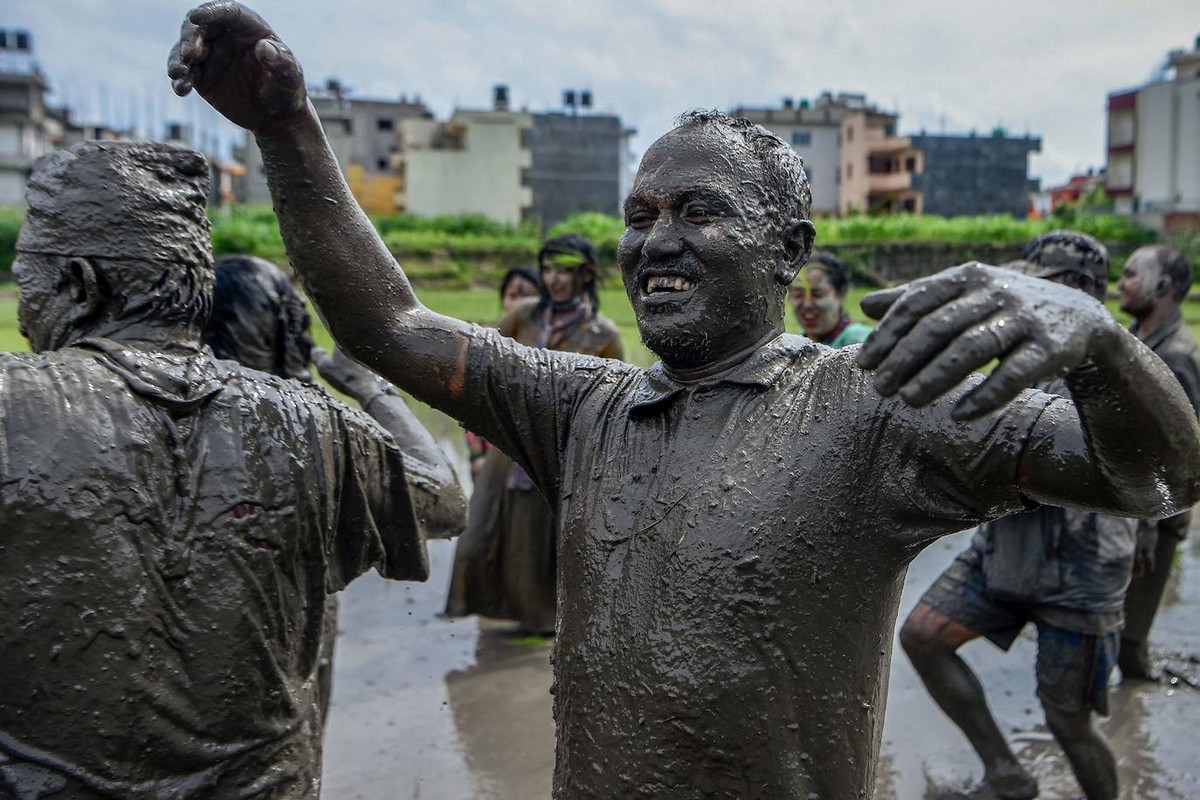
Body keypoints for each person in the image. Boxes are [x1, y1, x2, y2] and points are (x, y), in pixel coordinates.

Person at [170, 10, 1200, 795]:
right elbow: (390, 324)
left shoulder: (872, 405)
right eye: (639, 213)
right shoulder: (584, 406)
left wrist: (1100, 345)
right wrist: (288, 128)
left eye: (699, 211)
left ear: (790, 252)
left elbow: (1155, 474)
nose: (655, 241)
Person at [0, 141, 440, 798]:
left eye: (24, 275)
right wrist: (371, 390)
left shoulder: (12, 402)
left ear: (80, 285)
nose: (21, 300)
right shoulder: (315, 421)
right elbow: (442, 491)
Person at [899, 231, 1139, 800]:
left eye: (1039, 285)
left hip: (1081, 570)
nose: (1022, 297)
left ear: (1079, 292)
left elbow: (1136, 474)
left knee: (1069, 720)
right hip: (1006, 551)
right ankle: (1006, 773)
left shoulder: (1112, 371)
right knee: (924, 636)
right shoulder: (1016, 352)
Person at [202, 253, 466, 723]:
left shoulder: (121, 418)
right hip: (274, 739)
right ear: (290, 337)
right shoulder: (314, 433)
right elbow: (446, 500)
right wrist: (371, 390)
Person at [447, 237, 623, 634]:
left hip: (557, 454)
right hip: (507, 451)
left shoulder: (603, 334)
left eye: (563, 270)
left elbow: (614, 407)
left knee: (537, 548)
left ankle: (544, 627)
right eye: (548, 269)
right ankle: (496, 612)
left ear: (586, 274)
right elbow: (482, 361)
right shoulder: (523, 317)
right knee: (478, 540)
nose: (553, 279)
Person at [1116, 244, 1200, 680]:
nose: (1120, 284)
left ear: (1163, 286)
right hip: (1131, 508)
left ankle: (1135, 708)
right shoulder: (1137, 339)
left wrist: (1147, 527)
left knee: (1130, 635)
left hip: (1154, 517)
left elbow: (1174, 457)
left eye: (1130, 274)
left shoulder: (1177, 357)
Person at [465, 265, 541, 480]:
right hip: (492, 454)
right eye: (512, 296)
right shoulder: (486, 342)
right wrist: (476, 456)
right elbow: (470, 402)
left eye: (526, 296)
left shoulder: (549, 345)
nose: (518, 303)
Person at [789, 249, 872, 347]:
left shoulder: (859, 341)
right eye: (798, 295)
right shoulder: (794, 345)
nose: (807, 304)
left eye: (817, 295)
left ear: (840, 295)